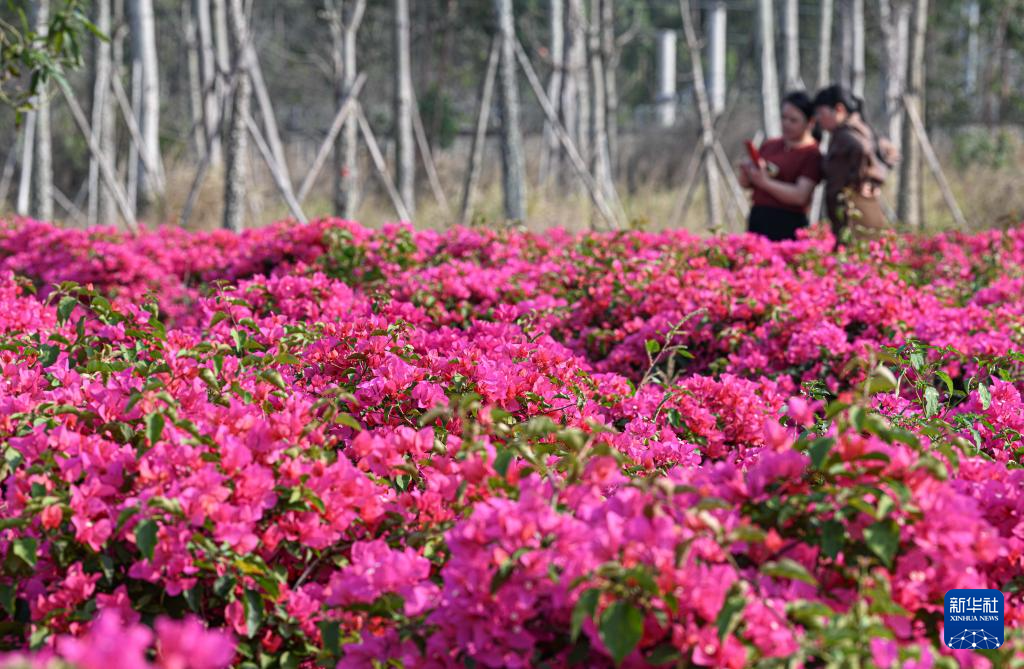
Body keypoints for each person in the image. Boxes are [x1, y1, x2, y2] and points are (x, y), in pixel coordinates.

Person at [812, 85, 899, 243]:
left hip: (855, 213)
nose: (818, 118)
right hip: (865, 209)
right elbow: (888, 152)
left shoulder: (846, 135)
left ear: (839, 109)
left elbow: (861, 148)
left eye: (820, 113)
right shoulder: (860, 128)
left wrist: (861, 179)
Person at [738, 91, 823, 241]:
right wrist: (747, 172)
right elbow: (747, 184)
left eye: (793, 120)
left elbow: (800, 196)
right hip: (758, 218)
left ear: (810, 122)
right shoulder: (770, 145)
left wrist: (765, 182)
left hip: (787, 224)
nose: (786, 124)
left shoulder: (812, 154)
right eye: (783, 118)